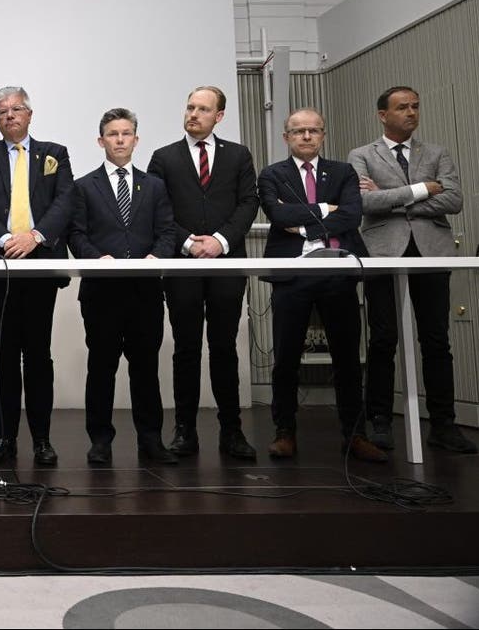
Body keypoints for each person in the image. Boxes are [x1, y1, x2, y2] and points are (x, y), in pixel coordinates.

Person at [347, 86, 477, 454]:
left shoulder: (437, 152)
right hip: (383, 252)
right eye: (402, 107)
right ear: (382, 115)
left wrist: (397, 199)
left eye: (416, 107)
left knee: (436, 339)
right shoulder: (361, 155)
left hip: (431, 252)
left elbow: (454, 200)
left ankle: (443, 424)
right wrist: (422, 189)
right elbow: (363, 202)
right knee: (383, 337)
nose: (411, 113)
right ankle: (380, 421)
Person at [257, 108, 387, 462]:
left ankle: (355, 435)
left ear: (323, 135)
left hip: (338, 273)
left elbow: (351, 215)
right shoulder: (272, 175)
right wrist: (325, 209)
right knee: (285, 358)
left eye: (314, 130)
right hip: (292, 276)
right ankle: (285, 432)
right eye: (298, 131)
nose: (306, 136)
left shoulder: (343, 172)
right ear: (286, 137)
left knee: (347, 359)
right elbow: (277, 214)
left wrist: (305, 225)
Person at [0, 86, 75, 467]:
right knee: (4, 358)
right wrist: (9, 239)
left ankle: (42, 440)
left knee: (39, 356)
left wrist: (35, 237)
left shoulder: (55, 154)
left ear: (29, 114)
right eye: (3, 111)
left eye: (17, 109)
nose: (10, 115)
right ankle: (5, 438)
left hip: (41, 267)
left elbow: (65, 201)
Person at [147, 86, 258, 460]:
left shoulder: (239, 155)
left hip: (227, 264)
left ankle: (232, 432)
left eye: (203, 109)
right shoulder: (163, 158)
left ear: (219, 116)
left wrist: (221, 242)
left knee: (224, 348)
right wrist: (189, 245)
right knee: (186, 349)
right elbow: (156, 209)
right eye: (190, 107)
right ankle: (185, 432)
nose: (193, 114)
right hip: (182, 266)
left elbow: (248, 203)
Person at [67, 108, 177, 466]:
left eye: (126, 133)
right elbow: (76, 233)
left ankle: (151, 440)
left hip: (144, 291)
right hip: (101, 292)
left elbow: (167, 231)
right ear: (101, 141)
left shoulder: (155, 185)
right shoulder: (84, 186)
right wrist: (95, 258)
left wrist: (156, 258)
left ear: (136, 140)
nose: (119, 140)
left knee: (145, 369)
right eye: (112, 134)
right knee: (101, 368)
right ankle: (100, 440)